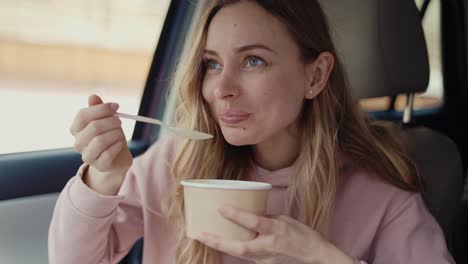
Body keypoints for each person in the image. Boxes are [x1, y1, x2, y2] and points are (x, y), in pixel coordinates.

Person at [48, 0, 455, 263]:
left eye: (253, 61)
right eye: (211, 64)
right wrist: (103, 178)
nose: (222, 89)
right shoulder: (174, 163)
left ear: (316, 75)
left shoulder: (383, 198)